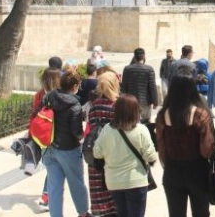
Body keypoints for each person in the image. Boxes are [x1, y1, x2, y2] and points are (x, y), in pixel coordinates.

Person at [155, 74, 215, 217]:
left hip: (172, 169)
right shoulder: (199, 114)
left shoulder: (163, 115)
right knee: (201, 213)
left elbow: (161, 146)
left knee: (176, 213)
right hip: (197, 170)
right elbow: (207, 148)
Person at [94, 94, 158, 217]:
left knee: (122, 213)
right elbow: (151, 156)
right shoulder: (141, 130)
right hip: (136, 182)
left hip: (114, 182)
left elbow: (97, 152)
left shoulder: (107, 129)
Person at [41, 70, 92, 217]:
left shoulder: (49, 97)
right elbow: (76, 131)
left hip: (49, 147)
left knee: (54, 187)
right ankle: (83, 213)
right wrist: (82, 137)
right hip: (68, 150)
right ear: (75, 86)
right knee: (76, 183)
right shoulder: (74, 105)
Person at [87, 74, 119, 217]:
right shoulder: (117, 106)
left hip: (96, 155)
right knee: (116, 197)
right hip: (114, 156)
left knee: (99, 193)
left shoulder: (94, 106)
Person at [32, 67, 61, 212]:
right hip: (58, 139)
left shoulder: (41, 96)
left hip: (44, 139)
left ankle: (47, 197)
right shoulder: (60, 97)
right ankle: (46, 198)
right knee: (54, 171)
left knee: (52, 169)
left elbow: (34, 116)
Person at [121, 48, 158, 123]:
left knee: (131, 122)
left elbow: (124, 87)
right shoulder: (149, 69)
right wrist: (155, 102)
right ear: (144, 56)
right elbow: (152, 87)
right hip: (145, 103)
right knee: (145, 123)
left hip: (131, 102)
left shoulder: (127, 69)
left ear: (134, 57)